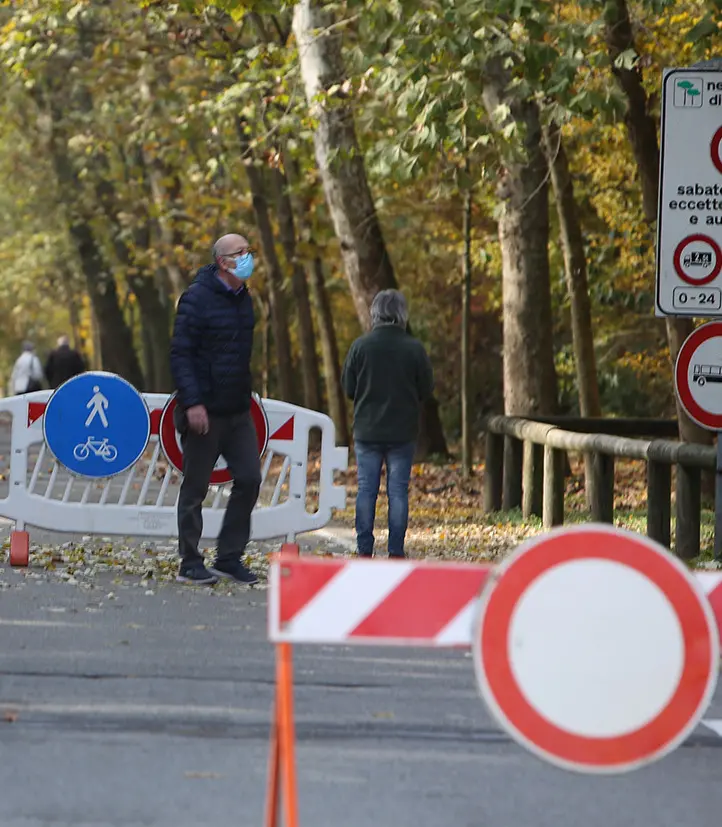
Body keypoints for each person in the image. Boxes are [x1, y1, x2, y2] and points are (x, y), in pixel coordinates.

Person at [170, 233, 262, 586]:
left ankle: (228, 557)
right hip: (204, 410)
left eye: (249, 251)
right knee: (195, 488)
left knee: (250, 479)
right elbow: (181, 354)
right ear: (223, 262)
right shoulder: (196, 299)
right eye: (241, 253)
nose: (248, 257)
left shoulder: (244, 299)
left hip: (237, 410)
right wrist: (192, 402)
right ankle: (190, 561)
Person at [341, 289, 435, 559]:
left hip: (367, 430)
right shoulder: (414, 348)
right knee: (397, 491)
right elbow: (426, 388)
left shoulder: (360, 346)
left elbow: (349, 388)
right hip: (402, 431)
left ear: (375, 313)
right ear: (402, 314)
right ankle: (395, 550)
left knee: (366, 489)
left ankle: (364, 548)